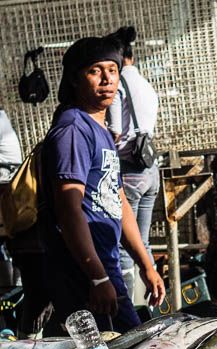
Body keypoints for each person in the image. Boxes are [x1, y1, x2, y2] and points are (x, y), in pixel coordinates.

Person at [39, 36, 166, 332]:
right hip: (84, 272)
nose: (107, 79)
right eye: (95, 71)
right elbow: (69, 209)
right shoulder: (73, 129)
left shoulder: (102, 131)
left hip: (105, 265)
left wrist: (146, 265)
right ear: (74, 79)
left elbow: (119, 202)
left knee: (125, 346)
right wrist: (97, 277)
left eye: (113, 70)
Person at [108, 26, 160, 307]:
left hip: (129, 171)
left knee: (126, 244)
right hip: (151, 171)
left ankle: (130, 308)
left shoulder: (119, 87)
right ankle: (153, 306)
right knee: (144, 242)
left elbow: (116, 132)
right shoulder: (146, 85)